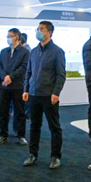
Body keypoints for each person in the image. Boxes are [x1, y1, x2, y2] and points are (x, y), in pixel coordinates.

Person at [23, 21, 67, 169]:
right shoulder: (34, 51)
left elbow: (61, 74)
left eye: (41, 29)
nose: (38, 31)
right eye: (37, 29)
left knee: (54, 127)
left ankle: (55, 156)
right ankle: (32, 154)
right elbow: (29, 72)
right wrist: (26, 89)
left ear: (49, 32)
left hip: (49, 95)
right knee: (34, 126)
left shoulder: (57, 51)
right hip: (33, 94)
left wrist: (56, 92)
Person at [0, 28, 30, 146]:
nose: (8, 38)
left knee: (19, 112)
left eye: (10, 36)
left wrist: (11, 77)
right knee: (3, 111)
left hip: (18, 86)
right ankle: (3, 135)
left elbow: (24, 67)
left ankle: (21, 135)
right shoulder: (3, 51)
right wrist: (4, 76)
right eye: (7, 36)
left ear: (17, 37)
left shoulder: (25, 52)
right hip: (4, 86)